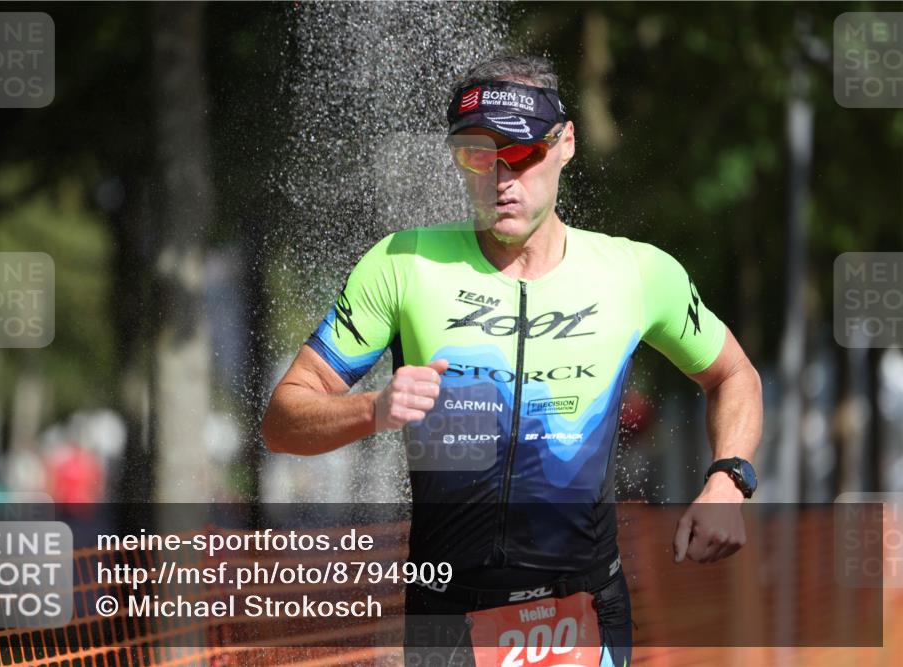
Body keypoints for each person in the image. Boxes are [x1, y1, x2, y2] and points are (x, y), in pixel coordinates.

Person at [262, 55, 763, 667]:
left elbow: (734, 374)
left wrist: (728, 481)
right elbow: (283, 419)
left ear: (565, 143)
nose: (501, 177)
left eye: (521, 153)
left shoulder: (636, 273)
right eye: (477, 154)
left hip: (585, 612)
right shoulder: (402, 264)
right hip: (448, 617)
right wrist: (372, 408)